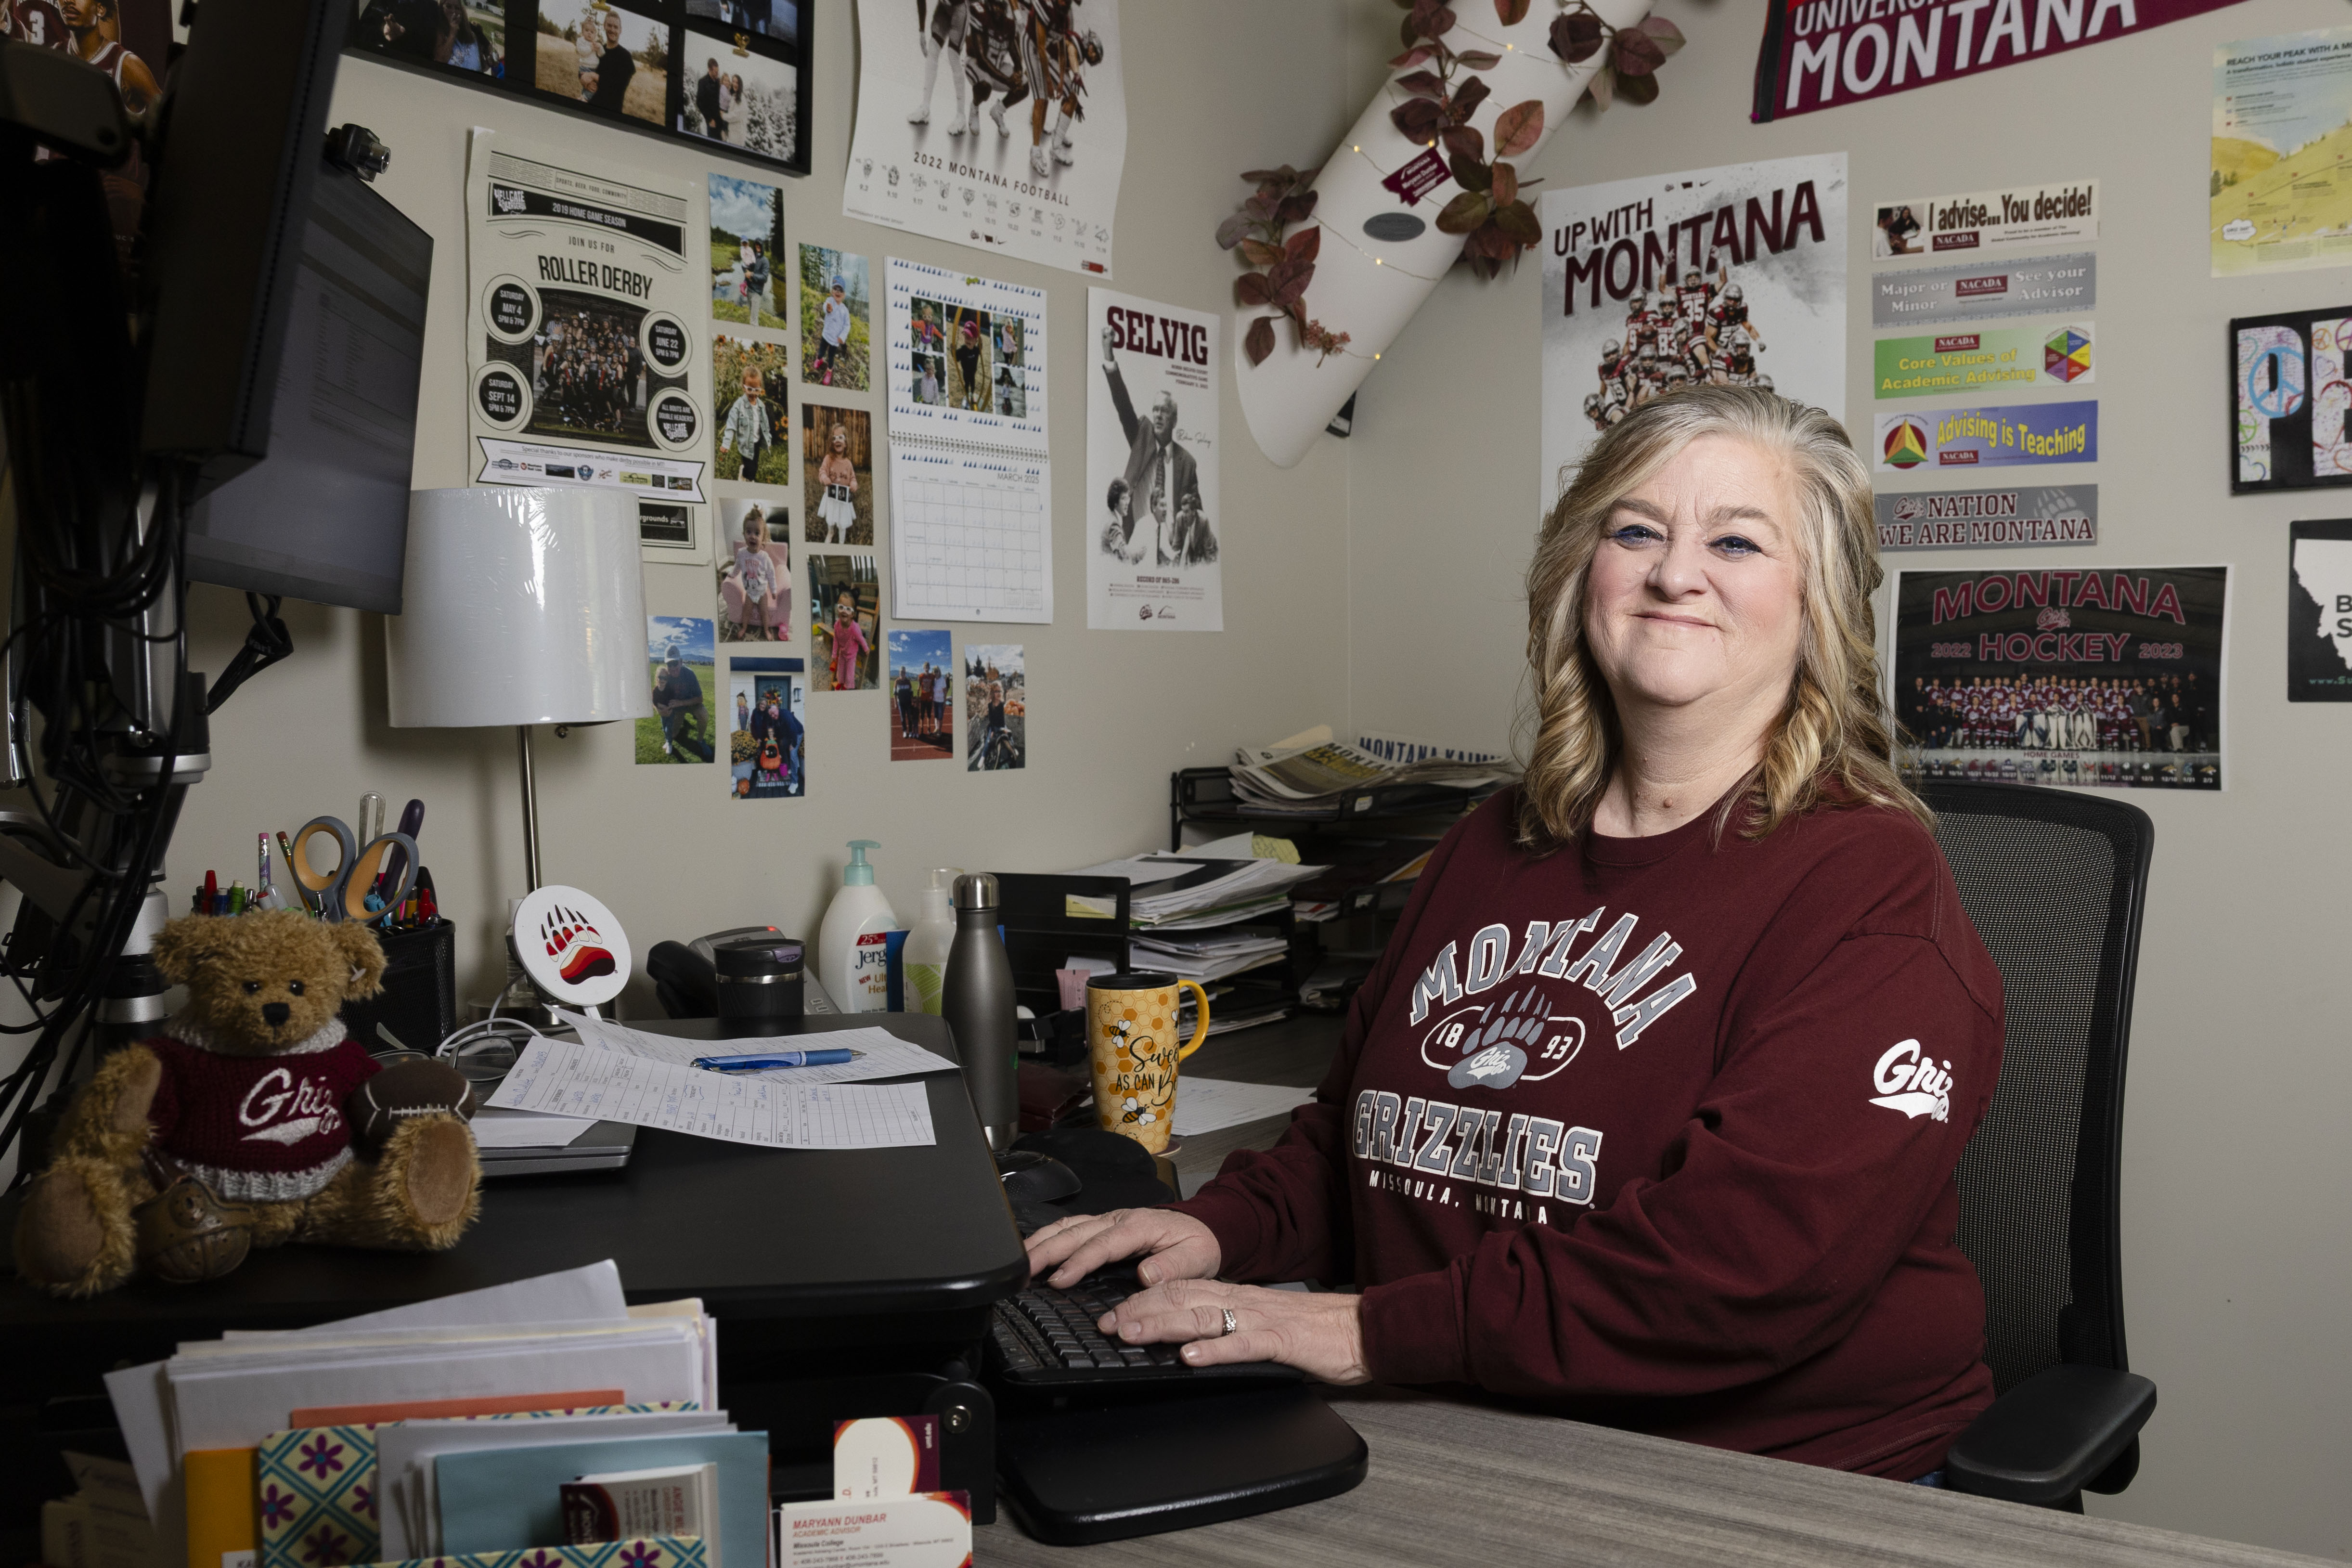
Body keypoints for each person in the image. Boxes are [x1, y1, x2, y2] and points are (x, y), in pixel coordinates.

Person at [1026, 386, 2006, 1484]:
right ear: (1582, 572)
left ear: (1817, 602)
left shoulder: (1868, 886)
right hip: (1464, 1420)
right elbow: (1362, 1125)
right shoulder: (1493, 840)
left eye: (1736, 540)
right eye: (1637, 531)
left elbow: (1734, 1274)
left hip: (1759, 1475)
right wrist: (1219, 1232)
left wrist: (1349, 1334)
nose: (1675, 573)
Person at [1100, 326, 1208, 567]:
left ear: (1174, 419)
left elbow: (1197, 515)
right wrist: (1109, 357)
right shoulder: (1142, 435)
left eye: (1165, 411)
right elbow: (1123, 406)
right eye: (1156, 410)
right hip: (1138, 547)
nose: (1158, 416)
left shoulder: (1187, 463)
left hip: (1172, 556)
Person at [650, 645, 711, 761]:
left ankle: (700, 740)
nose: (673, 668)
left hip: (691, 704)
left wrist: (681, 703)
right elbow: (656, 695)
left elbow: (700, 698)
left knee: (704, 715)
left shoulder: (689, 674)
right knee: (673, 736)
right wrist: (658, 710)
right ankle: (681, 723)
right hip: (676, 709)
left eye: (675, 663)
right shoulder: (665, 676)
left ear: (681, 662)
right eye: (670, 664)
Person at [720, 365, 772, 483]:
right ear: (744, 387)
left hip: (757, 441)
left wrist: (768, 440)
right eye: (750, 389)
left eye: (757, 390)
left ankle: (746, 474)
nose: (753, 393)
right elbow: (731, 425)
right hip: (745, 443)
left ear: (760, 389)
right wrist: (726, 444)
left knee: (755, 465)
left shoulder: (761, 406)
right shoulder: (739, 405)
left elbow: (765, 425)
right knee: (751, 468)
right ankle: (747, 478)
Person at [732, 507, 775, 641]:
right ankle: (744, 627)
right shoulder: (742, 553)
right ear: (744, 534)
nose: (752, 536)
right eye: (749, 532)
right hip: (750, 592)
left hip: (762, 593)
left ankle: (767, 630)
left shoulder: (764, 557)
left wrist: (774, 590)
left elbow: (771, 574)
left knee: (764, 613)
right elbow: (738, 565)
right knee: (747, 611)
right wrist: (732, 574)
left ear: (763, 538)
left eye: (757, 533)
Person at [815, 422, 859, 542]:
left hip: (843, 501)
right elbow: (822, 471)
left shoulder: (848, 463)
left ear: (846, 443)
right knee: (831, 524)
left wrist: (854, 484)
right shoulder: (829, 459)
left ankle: (841, 543)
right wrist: (824, 478)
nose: (837, 441)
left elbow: (853, 478)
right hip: (831, 498)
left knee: (842, 526)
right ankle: (830, 534)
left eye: (840, 437)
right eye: (834, 438)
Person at [584, 11, 633, 113]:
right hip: (591, 107)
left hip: (611, 113)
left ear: (621, 30)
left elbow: (618, 87)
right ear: (604, 27)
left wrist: (594, 76)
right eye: (610, 26)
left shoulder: (626, 57)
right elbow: (586, 68)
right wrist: (585, 82)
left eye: (616, 27)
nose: (612, 30)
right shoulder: (599, 50)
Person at [826, 596, 869, 692]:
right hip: (842, 653)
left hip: (851, 656)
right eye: (841, 607)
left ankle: (846, 686)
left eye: (848, 609)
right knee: (840, 672)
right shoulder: (837, 625)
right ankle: (840, 683)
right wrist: (834, 654)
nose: (844, 611)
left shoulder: (855, 628)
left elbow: (861, 639)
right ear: (838, 610)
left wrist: (866, 649)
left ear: (853, 614)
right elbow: (836, 640)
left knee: (849, 675)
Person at [816, 276, 853, 385]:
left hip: (835, 341)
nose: (838, 292)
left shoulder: (845, 311)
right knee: (821, 351)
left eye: (841, 290)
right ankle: (819, 359)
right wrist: (828, 310)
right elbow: (825, 308)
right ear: (832, 291)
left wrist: (843, 336)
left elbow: (847, 325)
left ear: (844, 294)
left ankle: (829, 371)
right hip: (826, 335)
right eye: (836, 289)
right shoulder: (829, 301)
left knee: (831, 356)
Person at [955, 315, 985, 410]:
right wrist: (953, 351)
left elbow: (981, 347)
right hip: (965, 373)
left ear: (976, 340)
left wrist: (981, 342)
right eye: (966, 336)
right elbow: (956, 358)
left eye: (970, 337)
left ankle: (972, 395)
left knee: (973, 385)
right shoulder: (963, 350)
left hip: (973, 373)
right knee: (966, 384)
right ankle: (968, 396)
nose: (967, 340)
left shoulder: (977, 350)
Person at [697, 56, 728, 141]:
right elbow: (700, 103)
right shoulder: (703, 82)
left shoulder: (718, 82)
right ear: (709, 70)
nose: (717, 74)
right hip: (712, 122)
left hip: (720, 120)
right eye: (715, 72)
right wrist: (709, 119)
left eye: (718, 71)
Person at [895, 667, 918, 740]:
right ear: (899, 673)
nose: (903, 674)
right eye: (902, 672)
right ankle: (905, 731)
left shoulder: (908, 681)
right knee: (903, 718)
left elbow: (911, 692)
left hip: (908, 703)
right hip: (901, 703)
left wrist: (912, 701)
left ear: (906, 673)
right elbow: (895, 693)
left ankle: (911, 731)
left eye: (904, 672)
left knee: (909, 717)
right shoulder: (897, 681)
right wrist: (895, 703)